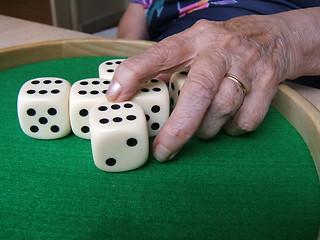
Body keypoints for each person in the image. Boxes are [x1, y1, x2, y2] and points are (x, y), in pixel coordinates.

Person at [107, 0, 320, 162]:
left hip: (286, 63)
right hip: (170, 52)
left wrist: (283, 43)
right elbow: (138, 9)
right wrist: (132, 59)